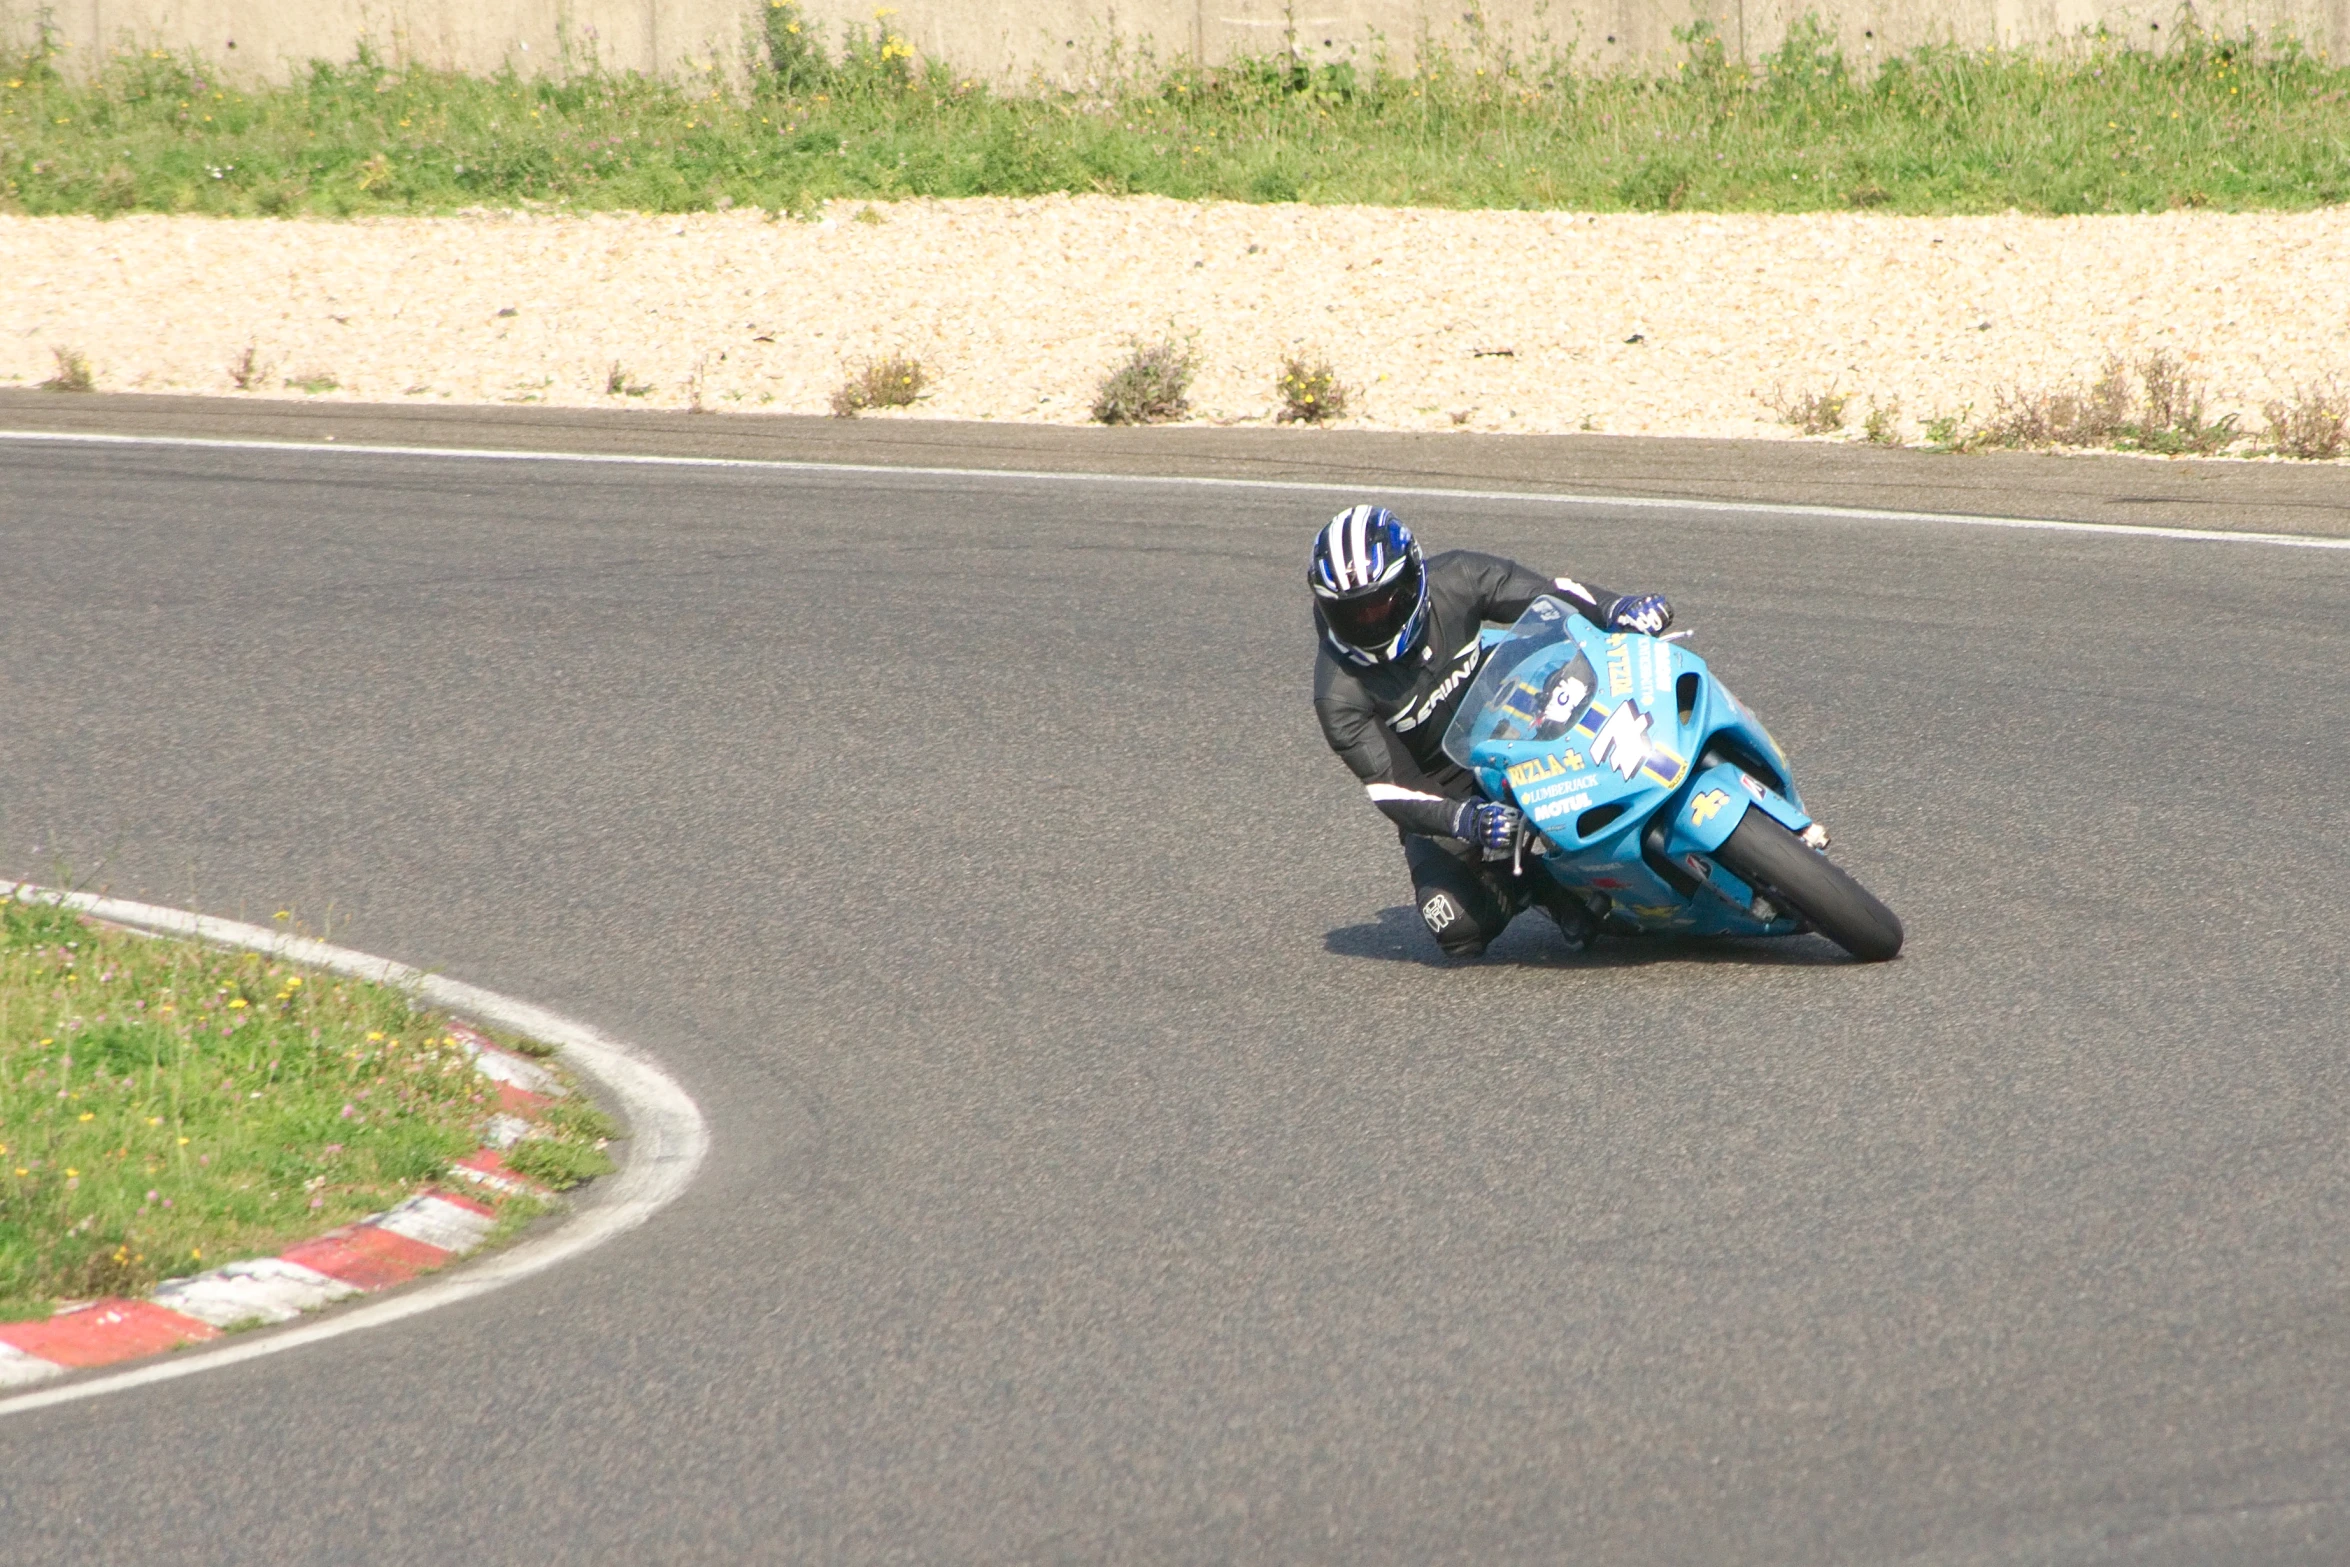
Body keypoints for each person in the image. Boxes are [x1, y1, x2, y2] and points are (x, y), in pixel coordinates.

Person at [1310, 504, 1676, 959]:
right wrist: (1466, 820)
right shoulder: (1339, 695)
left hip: (1519, 714)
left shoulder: (1459, 576)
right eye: (1353, 614)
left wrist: (1616, 606)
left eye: (1382, 604)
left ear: (1412, 579)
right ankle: (1539, 884)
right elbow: (1392, 790)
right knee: (1454, 925)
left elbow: (1551, 594)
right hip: (1447, 787)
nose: (1371, 621)